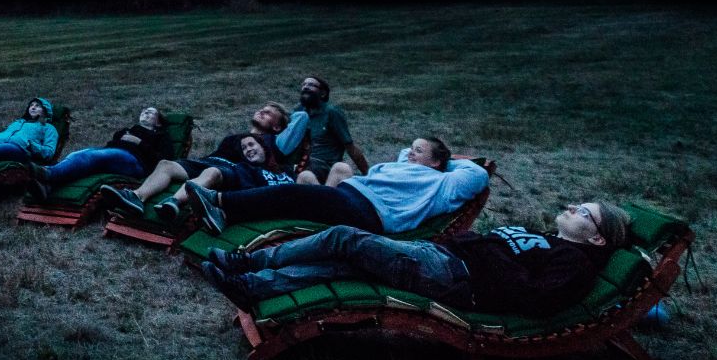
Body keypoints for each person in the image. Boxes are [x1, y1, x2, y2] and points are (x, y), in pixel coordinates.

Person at [194, 200, 633, 316]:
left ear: (597, 239)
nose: (574, 207)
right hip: (440, 258)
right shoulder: (545, 240)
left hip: (453, 278)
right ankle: (253, 288)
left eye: (584, 212)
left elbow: (531, 297)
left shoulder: (574, 264)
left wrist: (485, 251)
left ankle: (248, 263)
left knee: (345, 239)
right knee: (346, 265)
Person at [180, 136, 489, 237]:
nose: (410, 152)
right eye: (411, 147)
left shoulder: (444, 181)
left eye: (418, 151)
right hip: (351, 196)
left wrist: (448, 161)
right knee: (294, 201)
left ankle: (219, 201)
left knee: (294, 195)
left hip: (371, 214)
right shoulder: (402, 167)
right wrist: (416, 156)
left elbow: (478, 174)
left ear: (437, 162)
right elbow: (402, 158)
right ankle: (226, 215)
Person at [107, 103, 295, 220]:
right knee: (166, 164)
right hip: (207, 161)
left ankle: (175, 202)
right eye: (262, 109)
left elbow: (300, 121)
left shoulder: (274, 142)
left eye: (269, 113)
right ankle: (137, 197)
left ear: (277, 126)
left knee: (211, 171)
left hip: (230, 171)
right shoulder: (236, 137)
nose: (262, 112)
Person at [25, 106, 172, 202]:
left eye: (151, 112)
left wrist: (139, 143)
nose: (145, 112)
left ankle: (48, 174)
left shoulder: (161, 136)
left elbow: (165, 161)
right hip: (115, 155)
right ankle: (48, 188)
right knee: (79, 155)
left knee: (90, 157)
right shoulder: (127, 130)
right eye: (144, 110)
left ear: (158, 122)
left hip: (136, 163)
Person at [288, 76, 369, 184]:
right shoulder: (298, 112)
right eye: (304, 85)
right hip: (299, 162)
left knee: (303, 174)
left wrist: (368, 174)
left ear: (323, 93)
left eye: (311, 85)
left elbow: (350, 147)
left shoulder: (331, 113)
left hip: (323, 165)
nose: (306, 87)